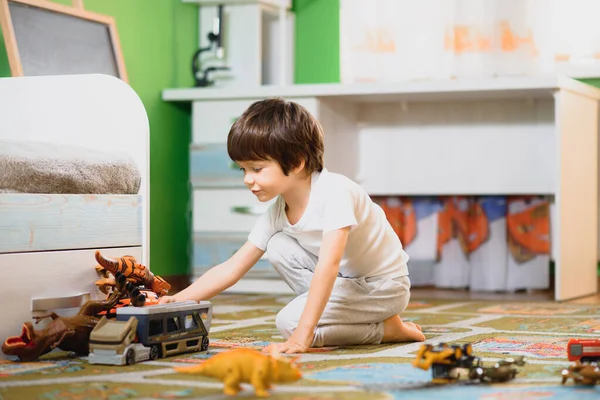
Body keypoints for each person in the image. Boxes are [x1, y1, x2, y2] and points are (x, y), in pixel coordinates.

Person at [159, 97, 425, 353]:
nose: (247, 179)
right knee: (277, 245)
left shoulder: (336, 193)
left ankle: (386, 330)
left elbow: (329, 266)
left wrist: (302, 336)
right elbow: (232, 268)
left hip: (383, 287)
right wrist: (178, 299)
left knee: (289, 323)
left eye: (257, 169)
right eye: (243, 170)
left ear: (297, 162)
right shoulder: (278, 211)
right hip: (348, 283)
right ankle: (363, 320)